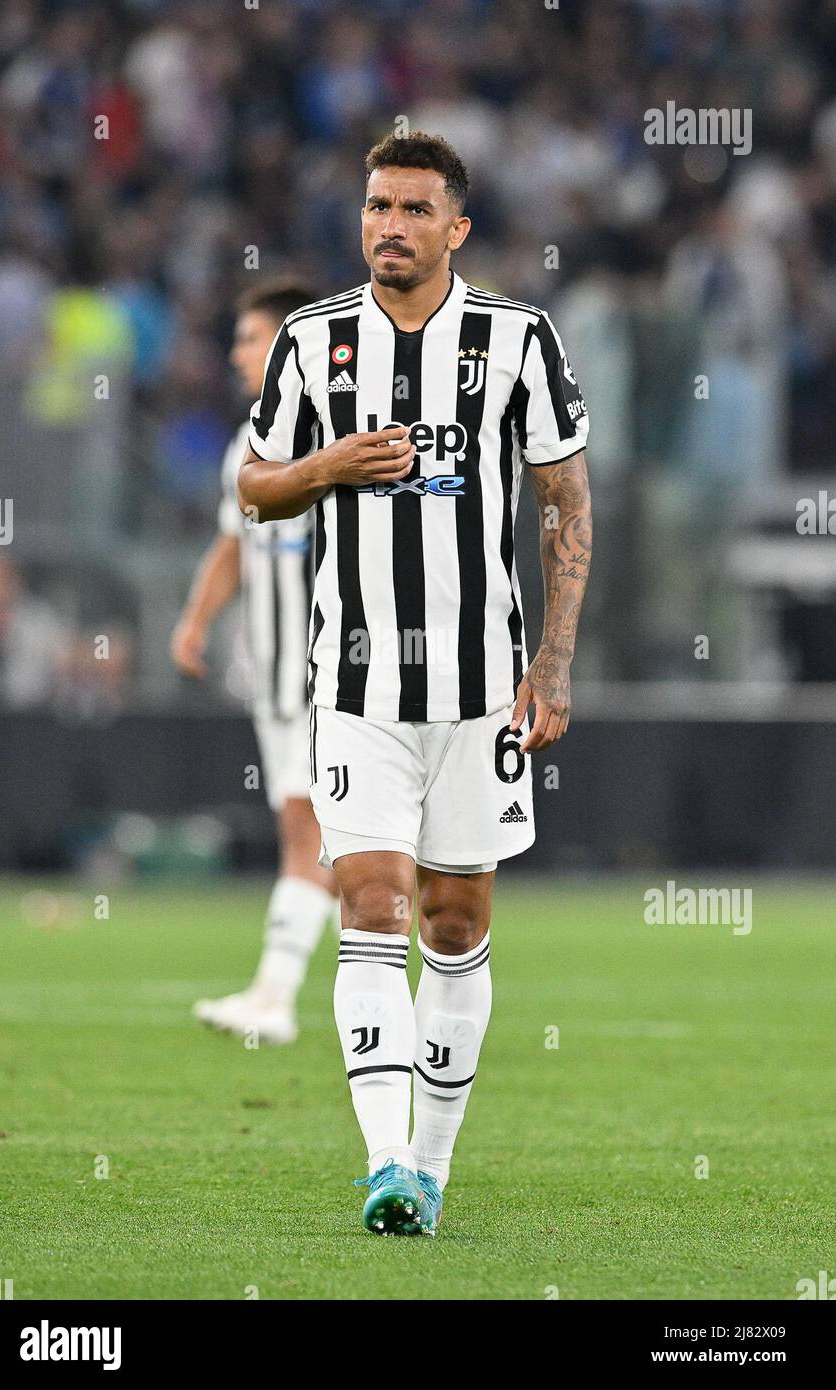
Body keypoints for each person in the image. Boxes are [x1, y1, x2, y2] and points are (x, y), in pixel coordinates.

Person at [238, 133, 592, 1236]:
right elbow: (256, 488)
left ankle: (429, 1169)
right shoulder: (312, 338)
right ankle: (387, 1160)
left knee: (453, 915)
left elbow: (563, 505)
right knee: (374, 902)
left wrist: (555, 659)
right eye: (375, 205)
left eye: (411, 209)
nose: (387, 224)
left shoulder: (516, 338)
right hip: (353, 685)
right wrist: (323, 468)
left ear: (456, 228)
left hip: (482, 686)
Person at [171, 281, 339, 1045]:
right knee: (322, 841)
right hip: (274, 681)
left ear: (288, 343)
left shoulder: (340, 429)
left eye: (250, 337)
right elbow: (234, 545)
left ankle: (275, 996)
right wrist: (196, 619)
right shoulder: (249, 442)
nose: (237, 352)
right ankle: (320, 991)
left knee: (316, 838)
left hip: (335, 676)